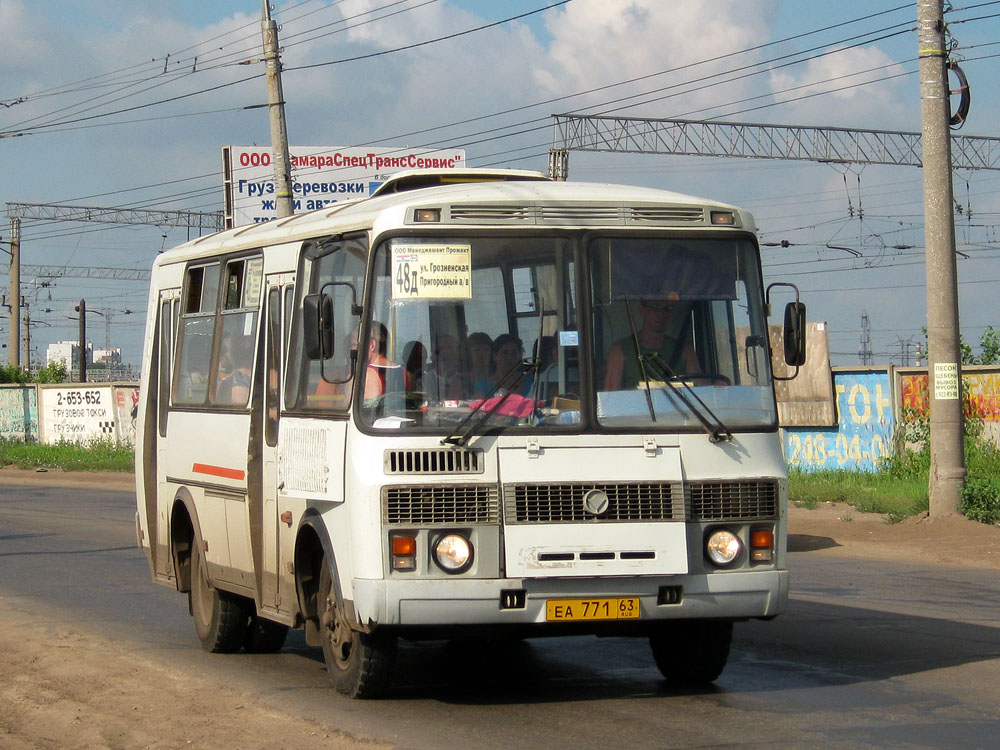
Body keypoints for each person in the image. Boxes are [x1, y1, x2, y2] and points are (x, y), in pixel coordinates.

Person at [603, 300, 699, 391]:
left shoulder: (685, 351)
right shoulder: (620, 351)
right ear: (642, 310)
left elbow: (703, 391)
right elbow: (610, 398)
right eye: (656, 309)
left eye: (667, 309)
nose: (661, 315)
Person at [423, 333, 467, 401]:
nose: (445, 352)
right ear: (433, 355)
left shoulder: (465, 379)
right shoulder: (425, 381)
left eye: (450, 348)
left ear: (457, 353)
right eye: (440, 349)